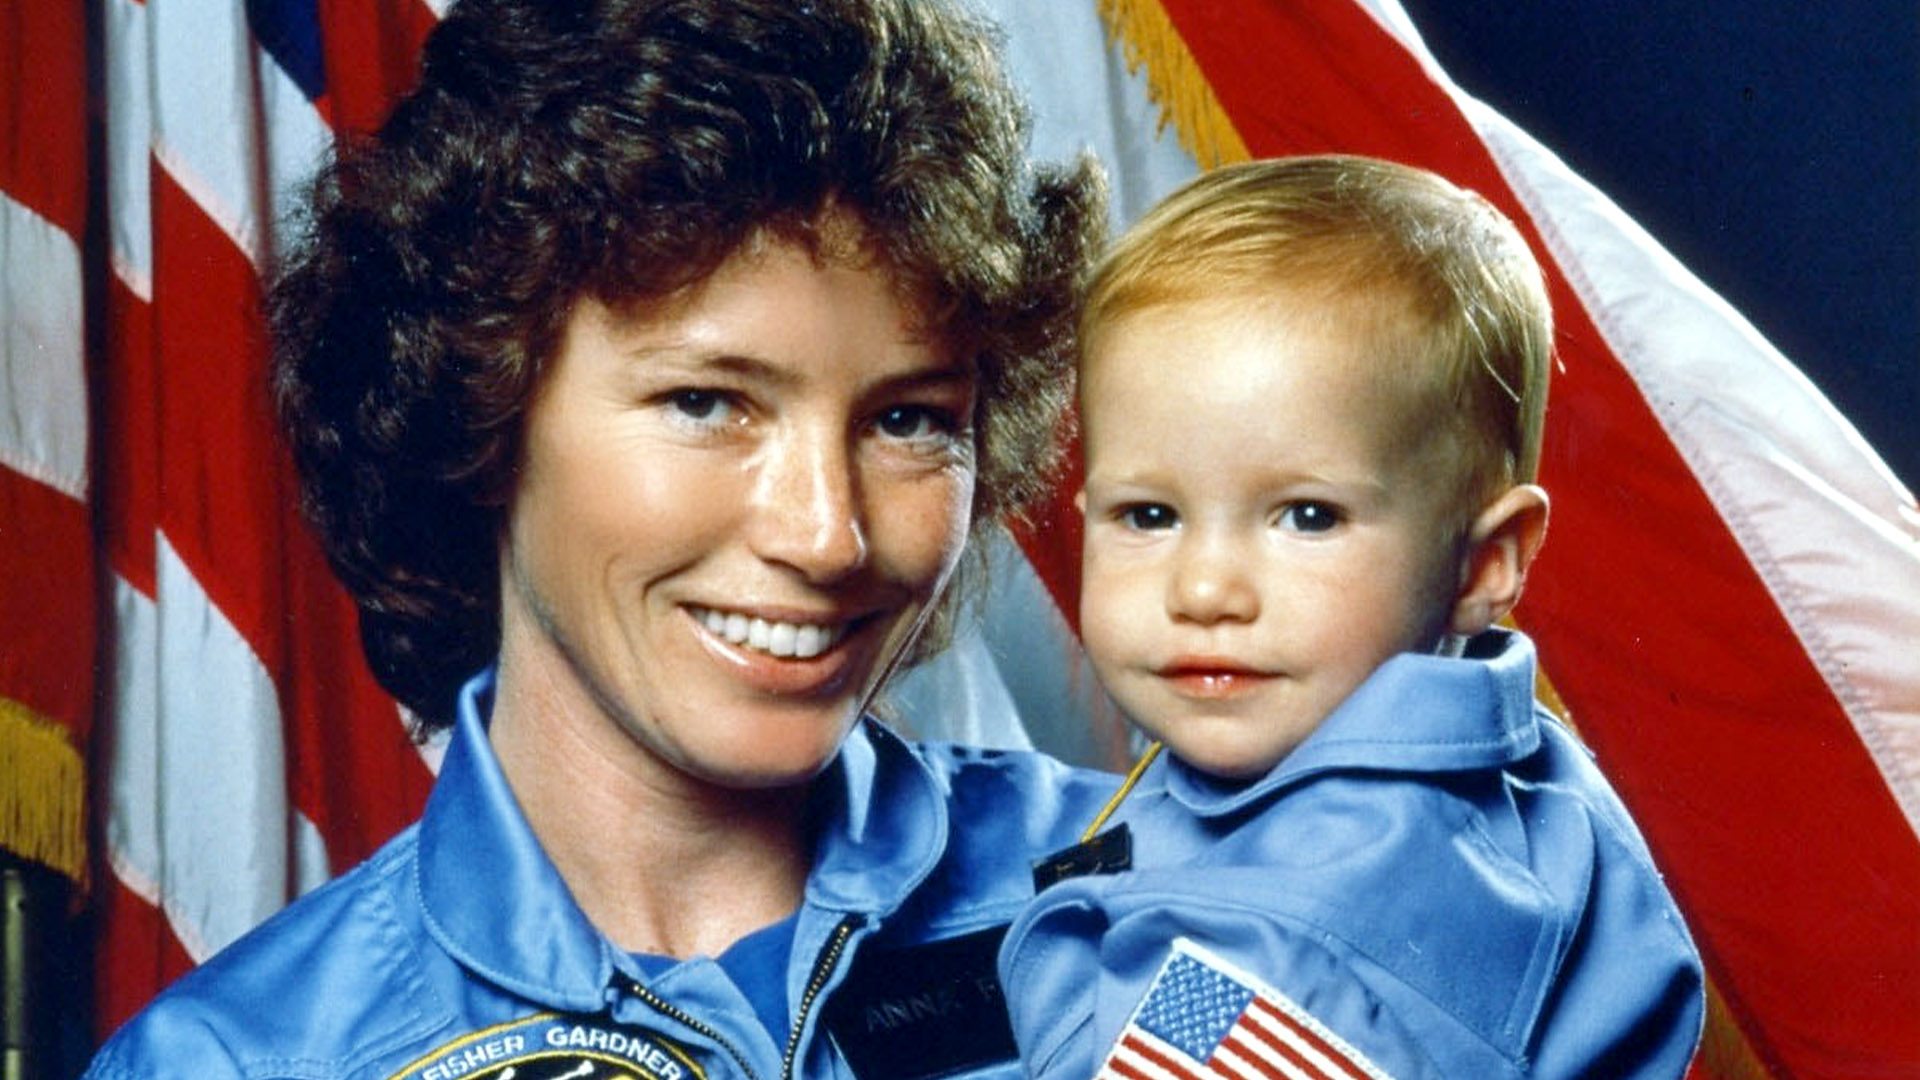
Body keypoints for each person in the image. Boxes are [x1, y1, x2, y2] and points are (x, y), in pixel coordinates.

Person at [84, 1, 1115, 1077]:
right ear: (479, 412)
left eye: (908, 420)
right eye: (708, 403)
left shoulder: (1168, 895)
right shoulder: (242, 1060)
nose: (826, 534)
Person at [999, 156, 1705, 1079]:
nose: (1205, 590)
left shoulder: (1304, 940)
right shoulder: (1487, 771)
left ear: (1485, 560)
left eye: (1306, 516)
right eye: (1151, 515)